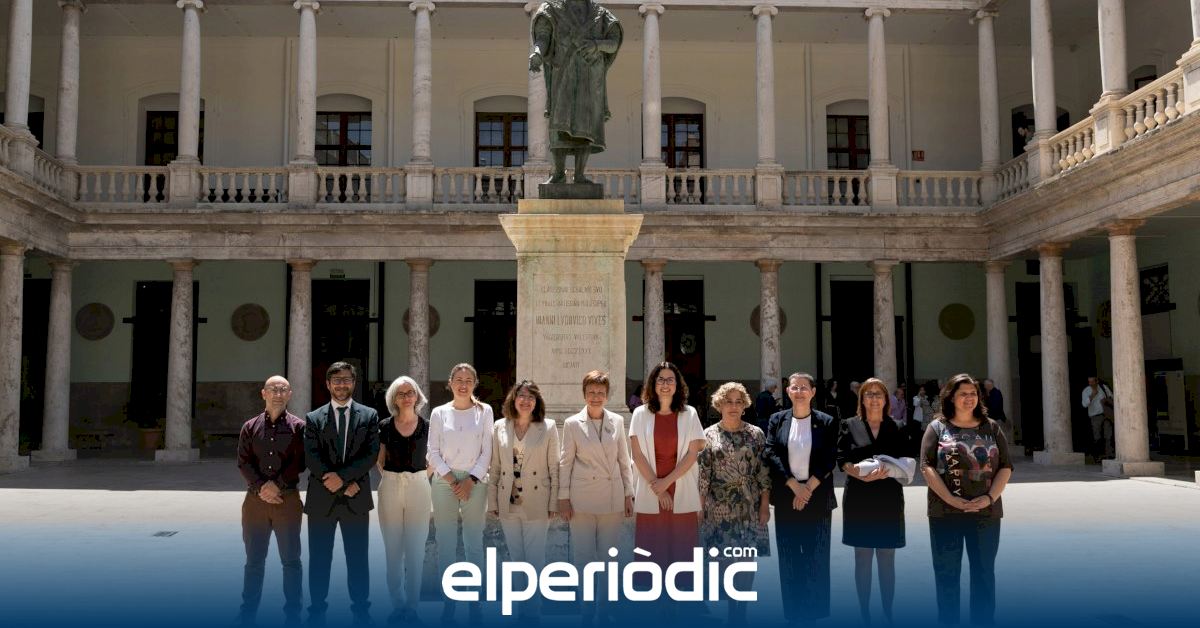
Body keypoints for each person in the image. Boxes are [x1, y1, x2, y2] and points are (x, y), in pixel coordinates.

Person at [921, 373, 1013, 625]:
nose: (969, 398)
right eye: (963, 393)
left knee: (984, 574)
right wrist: (950, 499)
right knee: (946, 575)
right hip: (944, 512)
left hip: (986, 513)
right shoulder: (937, 427)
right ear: (951, 397)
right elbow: (927, 467)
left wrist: (990, 498)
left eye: (973, 393)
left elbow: (1006, 466)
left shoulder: (991, 427)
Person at [304, 362, 380, 626]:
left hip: (355, 497)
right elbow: (312, 456)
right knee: (319, 557)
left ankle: (361, 609)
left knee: (358, 557)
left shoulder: (369, 416)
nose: (341, 385)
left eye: (346, 379)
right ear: (328, 384)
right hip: (321, 498)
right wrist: (337, 480)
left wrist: (345, 479)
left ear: (354, 383)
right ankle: (316, 609)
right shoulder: (313, 418)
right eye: (336, 380)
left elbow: (370, 453)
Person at [559, 370, 635, 627]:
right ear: (584, 394)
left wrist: (628, 493)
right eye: (591, 392)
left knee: (609, 557)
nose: (595, 397)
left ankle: (604, 608)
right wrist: (563, 497)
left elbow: (624, 459)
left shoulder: (617, 421)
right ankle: (586, 608)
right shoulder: (572, 424)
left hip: (612, 497)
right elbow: (566, 462)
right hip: (582, 499)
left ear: (607, 395)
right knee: (583, 558)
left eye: (600, 392)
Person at [762, 372, 839, 622]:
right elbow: (771, 453)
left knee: (816, 556)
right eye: (794, 387)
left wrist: (808, 488)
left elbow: (830, 457)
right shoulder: (777, 419)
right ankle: (794, 613)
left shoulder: (826, 421)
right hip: (787, 496)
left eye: (804, 387)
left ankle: (814, 613)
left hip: (818, 497)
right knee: (790, 555)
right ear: (788, 391)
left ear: (813, 392)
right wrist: (794, 485)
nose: (799, 392)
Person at [629, 362, 706, 596]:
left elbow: (692, 454)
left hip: (680, 483)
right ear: (653, 385)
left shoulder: (689, 413)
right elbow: (637, 454)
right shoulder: (640, 414)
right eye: (660, 379)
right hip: (650, 485)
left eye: (670, 379)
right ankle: (650, 590)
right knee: (651, 539)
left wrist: (667, 482)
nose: (665, 384)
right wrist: (659, 488)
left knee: (682, 540)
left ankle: (682, 590)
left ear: (677, 384)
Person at [235, 375, 306, 627]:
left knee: (291, 560)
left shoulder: (299, 427)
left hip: (287, 500)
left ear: (290, 394)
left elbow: (300, 462)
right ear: (263, 394)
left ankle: (293, 614)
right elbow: (243, 462)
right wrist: (261, 487)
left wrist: (278, 485)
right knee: (254, 561)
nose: (278, 393)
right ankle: (248, 613)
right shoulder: (250, 427)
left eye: (283, 389)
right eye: (273, 389)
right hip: (255, 503)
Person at [488, 380, 560, 622]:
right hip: (508, 502)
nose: (526, 401)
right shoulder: (500, 426)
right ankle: (521, 610)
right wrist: (493, 501)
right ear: (513, 398)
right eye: (522, 396)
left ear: (537, 401)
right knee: (517, 559)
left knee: (534, 559)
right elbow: (495, 467)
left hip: (537, 501)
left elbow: (554, 468)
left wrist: (553, 503)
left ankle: (533, 612)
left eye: (531, 397)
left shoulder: (548, 427)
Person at [698, 382, 770, 626]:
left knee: (746, 559)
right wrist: (700, 507)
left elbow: (763, 472)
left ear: (745, 406)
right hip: (719, 507)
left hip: (749, 505)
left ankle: (742, 612)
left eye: (738, 401)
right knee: (726, 561)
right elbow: (703, 475)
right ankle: (732, 610)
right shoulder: (708, 435)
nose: (733, 406)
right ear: (719, 405)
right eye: (728, 401)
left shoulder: (755, 434)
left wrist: (764, 505)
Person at [528, 0, 623, 184]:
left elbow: (614, 43)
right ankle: (558, 174)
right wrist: (537, 53)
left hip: (590, 76)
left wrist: (597, 45)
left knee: (586, 126)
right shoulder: (551, 9)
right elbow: (543, 37)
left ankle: (580, 175)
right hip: (563, 73)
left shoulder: (600, 13)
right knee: (558, 123)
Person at [837, 378, 907, 625]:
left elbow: (906, 459)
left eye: (879, 394)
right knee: (863, 556)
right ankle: (864, 612)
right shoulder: (849, 424)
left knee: (887, 557)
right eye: (869, 394)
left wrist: (891, 471)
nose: (874, 398)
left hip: (889, 496)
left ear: (886, 399)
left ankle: (888, 611)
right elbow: (842, 458)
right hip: (859, 496)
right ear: (862, 399)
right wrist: (856, 473)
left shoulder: (897, 426)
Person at [428, 363, 494, 625]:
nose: (463, 384)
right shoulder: (439, 413)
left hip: (475, 481)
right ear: (450, 383)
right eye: (458, 379)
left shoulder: (484, 411)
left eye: (468, 380)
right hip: (444, 481)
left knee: (473, 543)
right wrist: (452, 480)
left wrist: (471, 480)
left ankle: (474, 600)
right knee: (445, 542)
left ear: (475, 383)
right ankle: (449, 602)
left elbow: (487, 450)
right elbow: (432, 451)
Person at [376, 375, 432, 626]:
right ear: (394, 399)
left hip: (419, 485)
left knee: (415, 549)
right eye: (401, 393)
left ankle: (412, 607)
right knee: (392, 549)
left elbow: (433, 458)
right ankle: (397, 605)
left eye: (411, 392)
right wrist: (393, 479)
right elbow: (380, 459)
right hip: (390, 484)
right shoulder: (385, 426)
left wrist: (419, 478)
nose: (407, 397)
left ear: (417, 396)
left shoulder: (428, 426)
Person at [1081, 376, 1115, 460]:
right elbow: (1084, 404)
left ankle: (1109, 454)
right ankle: (1098, 456)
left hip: (1106, 415)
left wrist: (1107, 400)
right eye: (1089, 382)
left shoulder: (1103, 387)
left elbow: (1112, 397)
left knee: (1108, 435)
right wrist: (1092, 395)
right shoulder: (1086, 391)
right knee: (1097, 437)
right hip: (1095, 417)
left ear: (1097, 381)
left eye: (1092, 381)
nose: (1091, 383)